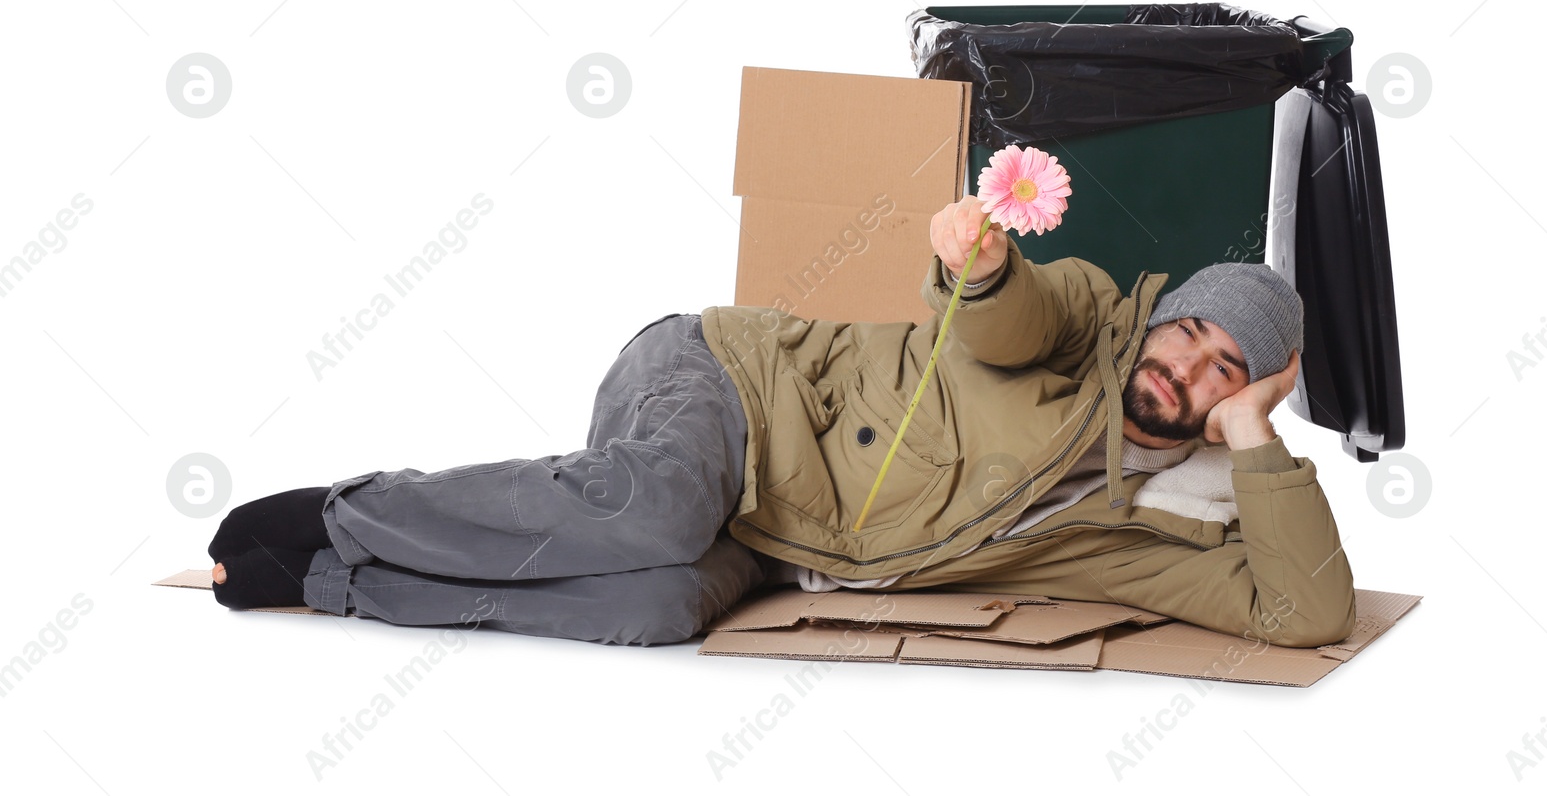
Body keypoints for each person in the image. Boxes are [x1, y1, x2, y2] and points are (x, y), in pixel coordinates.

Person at [207, 196, 1355, 648]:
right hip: (728, 379)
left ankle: (332, 581)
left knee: (656, 603)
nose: (1187, 369)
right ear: (1159, 316)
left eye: (1225, 372)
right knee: (658, 505)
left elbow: (1301, 611)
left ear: (1236, 399)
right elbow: (1006, 321)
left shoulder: (1152, 527)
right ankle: (345, 509)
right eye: (1189, 335)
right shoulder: (1090, 316)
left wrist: (1256, 436)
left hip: (778, 544)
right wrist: (986, 267)